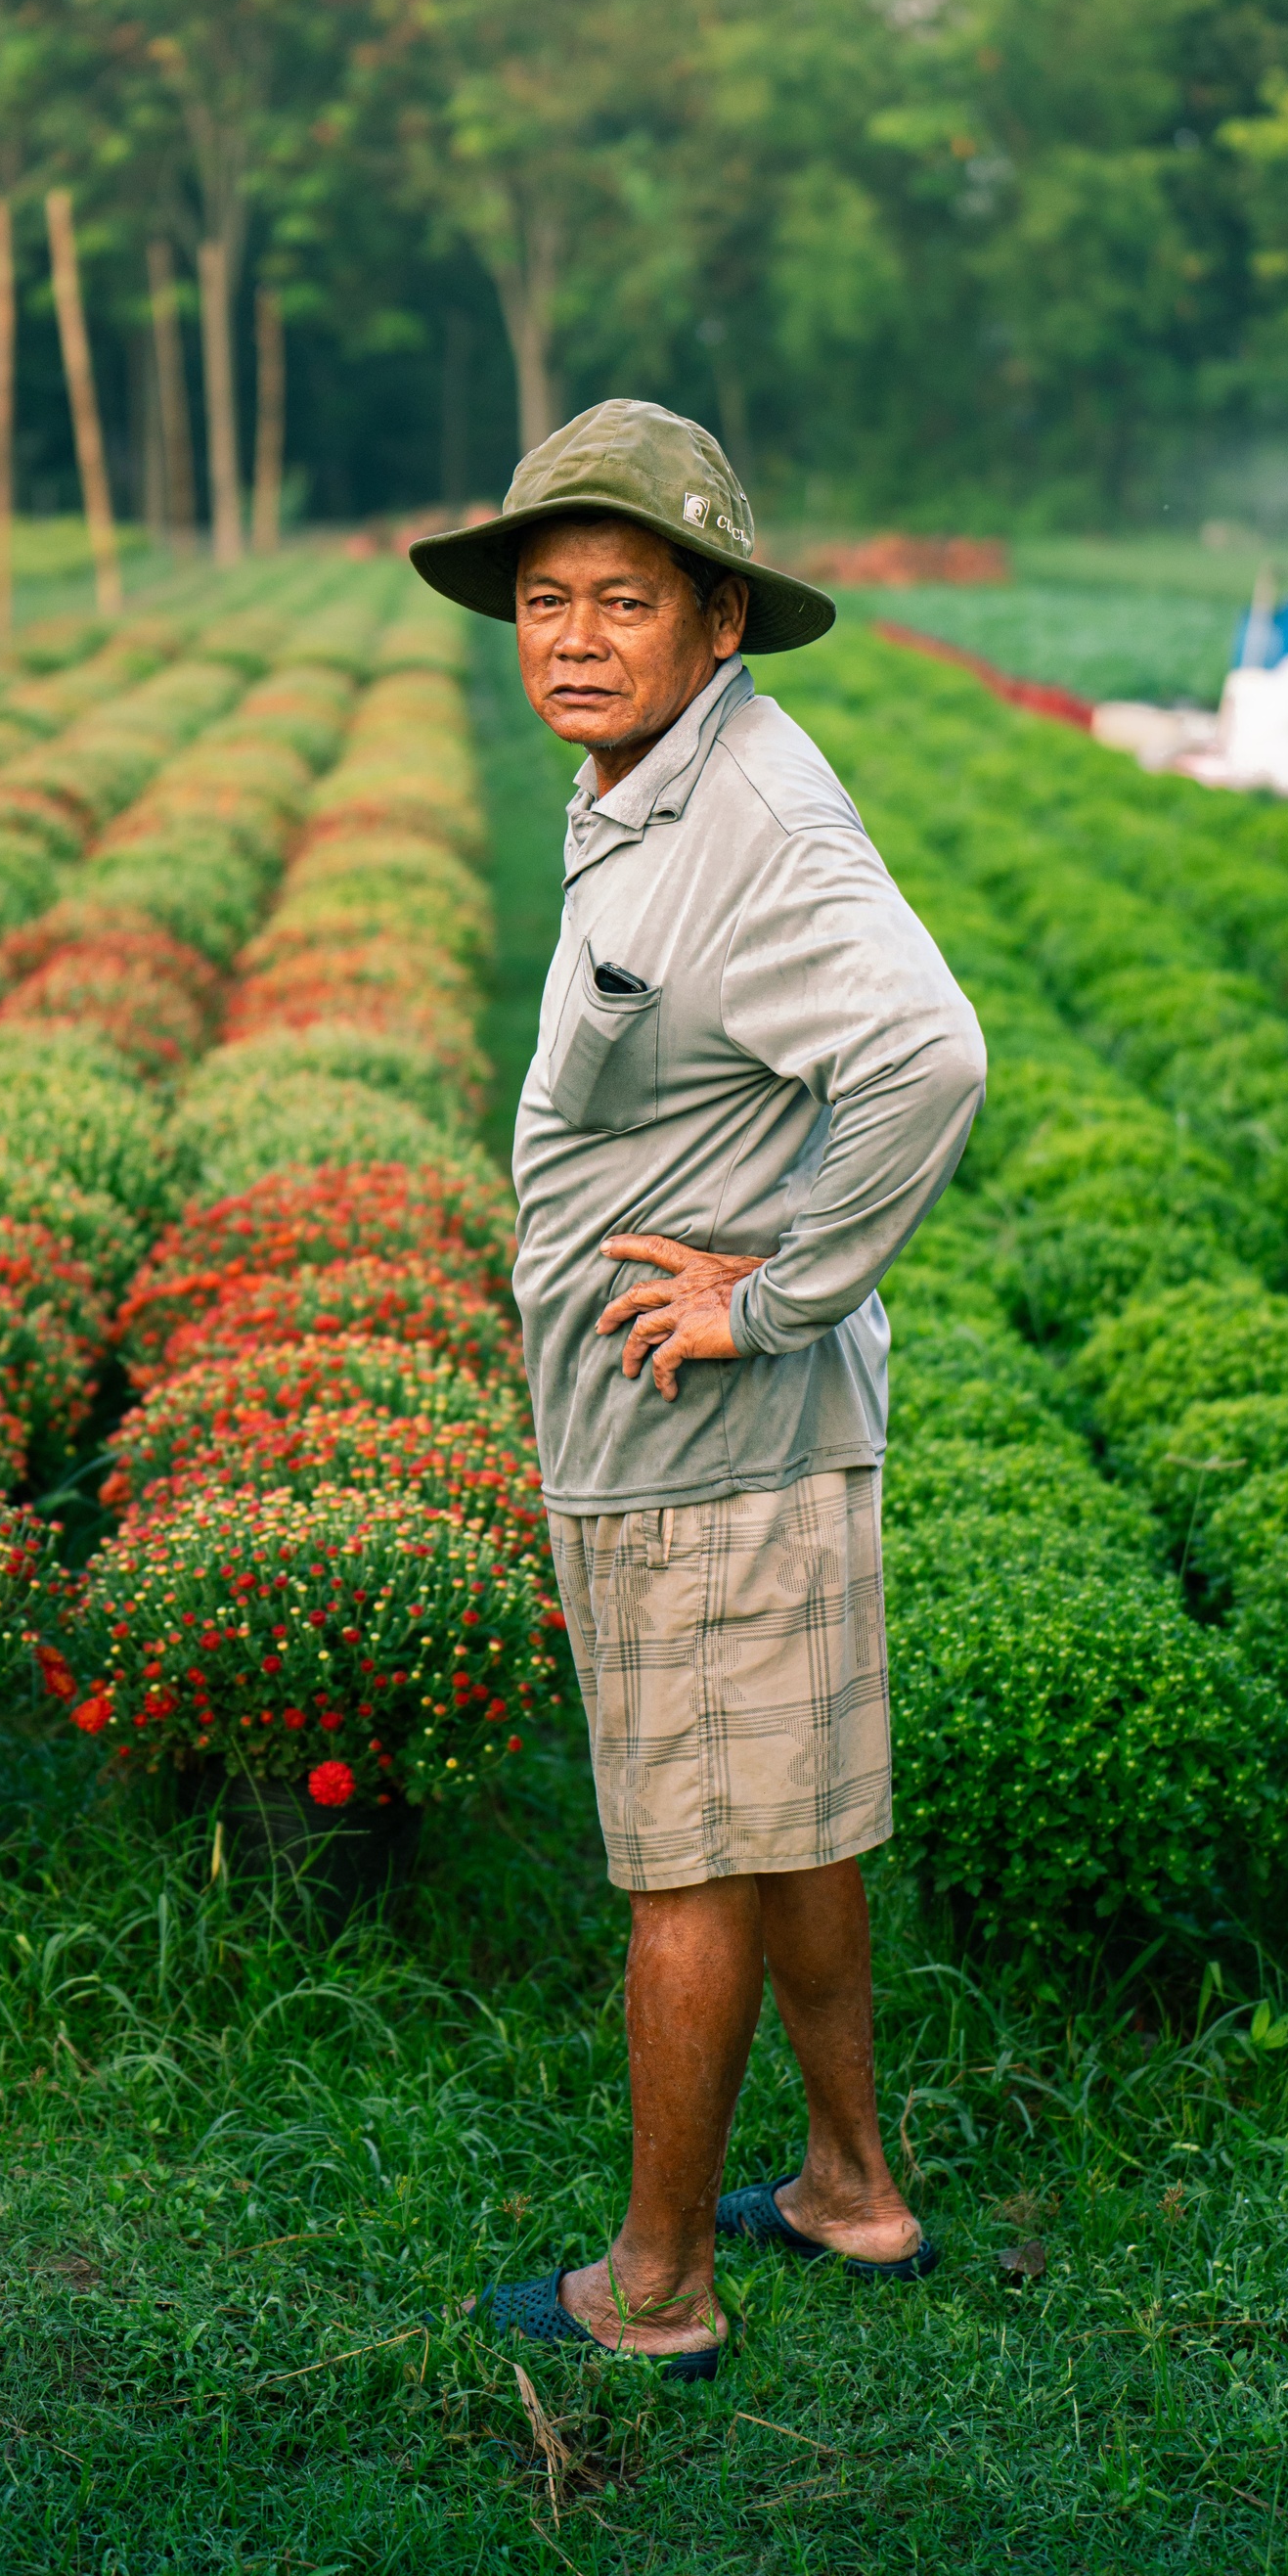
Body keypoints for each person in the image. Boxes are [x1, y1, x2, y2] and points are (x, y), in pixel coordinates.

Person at [409, 400, 987, 2380]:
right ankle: (850, 2182)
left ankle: (653, 2287)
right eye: (545, 600)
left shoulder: (754, 816)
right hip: (700, 1437)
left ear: (717, 617)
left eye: (623, 601)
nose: (572, 636)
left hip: (706, 1440)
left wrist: (776, 1296)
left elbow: (929, 1055)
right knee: (784, 1817)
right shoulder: (657, 770)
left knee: (688, 1858)